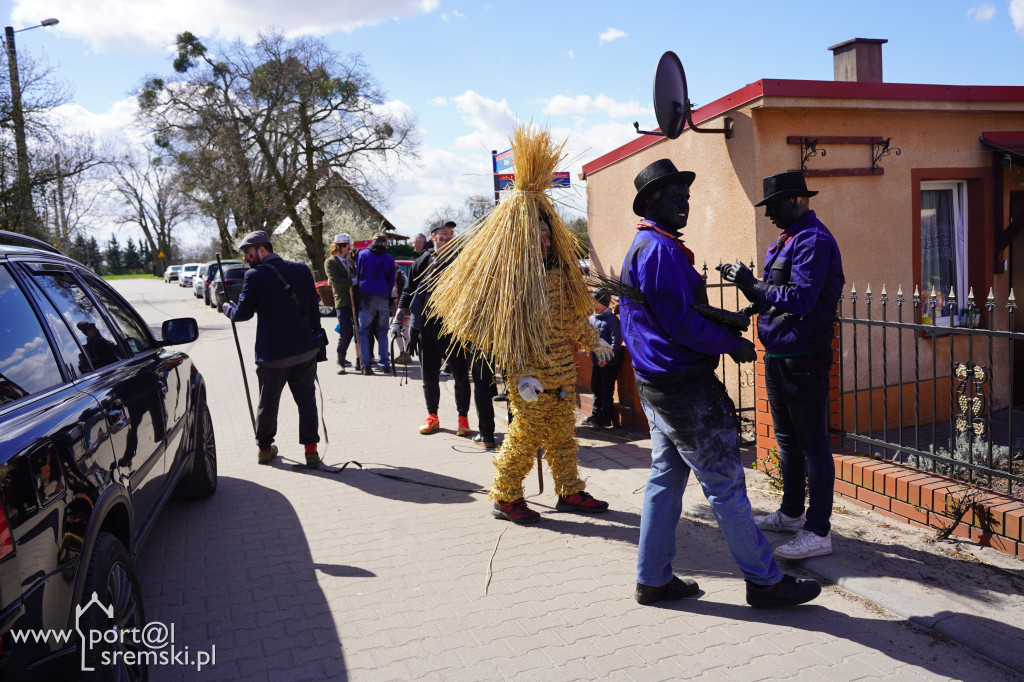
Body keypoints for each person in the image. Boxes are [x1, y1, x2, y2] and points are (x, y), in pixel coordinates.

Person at [620, 159, 820, 608]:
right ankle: (765, 582)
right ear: (652, 201)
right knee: (726, 486)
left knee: (665, 480)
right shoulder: (660, 250)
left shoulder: (645, 245)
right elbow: (680, 323)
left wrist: (723, 319)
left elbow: (667, 313)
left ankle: (652, 579)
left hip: (656, 383)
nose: (684, 204)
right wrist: (732, 344)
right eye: (675, 197)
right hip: (682, 389)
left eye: (687, 196)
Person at [720, 170, 845, 560]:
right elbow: (778, 293)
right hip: (779, 355)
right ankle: (793, 513)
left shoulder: (814, 241)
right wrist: (753, 305)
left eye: (773, 207)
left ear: (795, 201)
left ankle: (818, 531)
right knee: (788, 441)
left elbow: (801, 298)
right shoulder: (788, 239)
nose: (769, 215)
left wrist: (749, 284)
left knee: (814, 445)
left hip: (804, 357)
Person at [488, 214, 613, 523]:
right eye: (538, 238)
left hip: (563, 372)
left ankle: (569, 491)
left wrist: (594, 341)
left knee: (562, 437)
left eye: (547, 237)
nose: (544, 244)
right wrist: (520, 374)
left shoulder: (558, 276)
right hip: (532, 374)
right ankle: (505, 497)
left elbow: (571, 319)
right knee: (524, 437)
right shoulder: (513, 283)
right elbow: (505, 335)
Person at [223, 231, 322, 468]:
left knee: (268, 403)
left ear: (262, 249)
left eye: (248, 253)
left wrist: (228, 308)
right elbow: (313, 308)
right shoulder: (302, 270)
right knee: (307, 401)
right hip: (305, 351)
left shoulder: (254, 276)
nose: (246, 258)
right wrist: (317, 339)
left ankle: (265, 450)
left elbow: (242, 314)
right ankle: (311, 452)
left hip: (273, 356)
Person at [401, 219, 479, 439]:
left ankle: (463, 418)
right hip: (426, 325)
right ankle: (432, 416)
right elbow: (408, 291)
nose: (448, 236)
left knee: (461, 375)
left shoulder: (460, 260)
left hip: (454, 326)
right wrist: (401, 315)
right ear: (433, 236)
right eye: (444, 233)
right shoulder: (421, 262)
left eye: (451, 233)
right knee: (429, 375)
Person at [356, 233, 396, 375]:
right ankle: (385, 363)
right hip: (383, 296)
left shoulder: (363, 254)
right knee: (382, 332)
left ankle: (366, 365)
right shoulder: (389, 258)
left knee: (364, 332)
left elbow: (359, 273)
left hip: (366, 295)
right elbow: (392, 280)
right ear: (384, 243)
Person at [581, 293, 621, 429]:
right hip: (596, 362)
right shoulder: (592, 318)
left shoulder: (612, 320)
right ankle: (595, 414)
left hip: (609, 363)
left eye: (596, 302)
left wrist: (607, 359)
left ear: (604, 303)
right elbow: (589, 339)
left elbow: (616, 342)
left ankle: (604, 418)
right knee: (596, 388)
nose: (593, 306)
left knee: (606, 390)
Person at [325, 233, 356, 375]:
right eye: (345, 245)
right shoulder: (331, 262)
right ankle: (340, 362)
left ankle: (360, 359)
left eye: (348, 245)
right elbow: (336, 281)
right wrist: (352, 282)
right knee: (345, 332)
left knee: (356, 332)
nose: (348, 248)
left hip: (355, 302)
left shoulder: (350, 261)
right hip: (342, 302)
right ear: (338, 247)